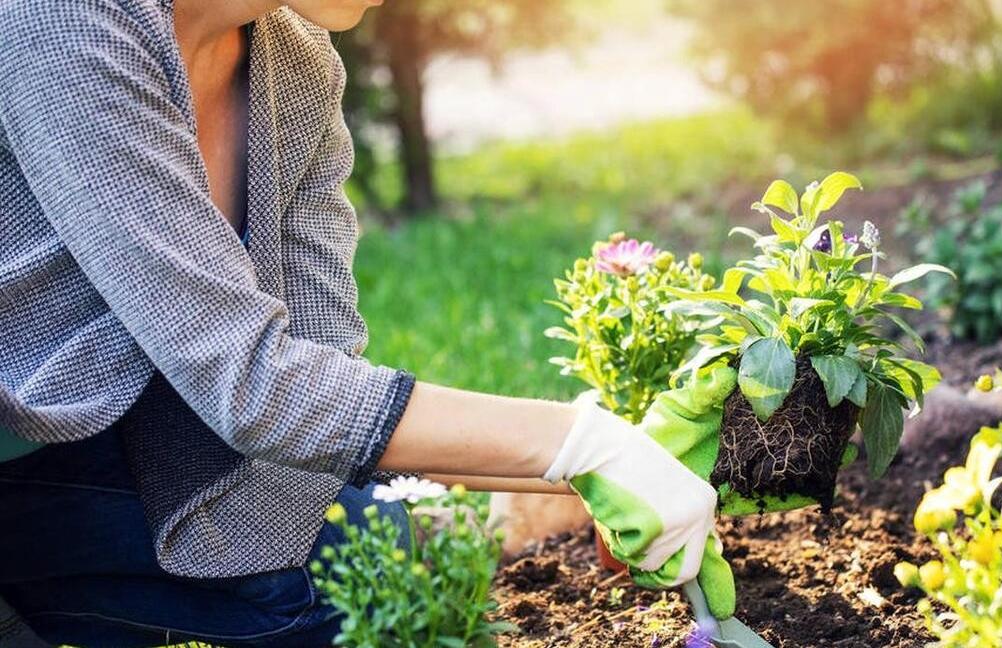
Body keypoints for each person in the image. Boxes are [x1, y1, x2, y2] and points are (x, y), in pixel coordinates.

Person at [0, 1, 729, 645]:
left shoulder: (297, 63)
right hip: (25, 442)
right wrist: (575, 444)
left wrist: (600, 472)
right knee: (311, 596)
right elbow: (253, 387)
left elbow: (320, 378)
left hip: (145, 429)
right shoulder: (60, 18)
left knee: (385, 565)